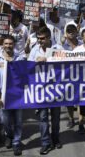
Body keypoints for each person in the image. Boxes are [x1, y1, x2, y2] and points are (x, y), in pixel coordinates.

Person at [28, 27, 63, 155]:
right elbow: (28, 68)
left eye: (42, 38)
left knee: (55, 118)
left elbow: (67, 65)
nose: (39, 41)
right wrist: (35, 63)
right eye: (38, 38)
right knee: (43, 118)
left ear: (48, 38)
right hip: (41, 90)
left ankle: (56, 139)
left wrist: (49, 59)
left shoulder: (59, 48)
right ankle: (45, 143)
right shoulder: (34, 50)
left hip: (56, 89)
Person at [0, 36, 24, 156]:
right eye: (6, 43)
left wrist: (14, 65)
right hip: (4, 96)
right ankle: (9, 135)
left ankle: (16, 142)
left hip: (18, 96)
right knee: (4, 120)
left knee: (18, 121)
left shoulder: (20, 58)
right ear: (2, 44)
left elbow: (24, 76)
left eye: (10, 44)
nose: (8, 46)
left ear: (14, 45)